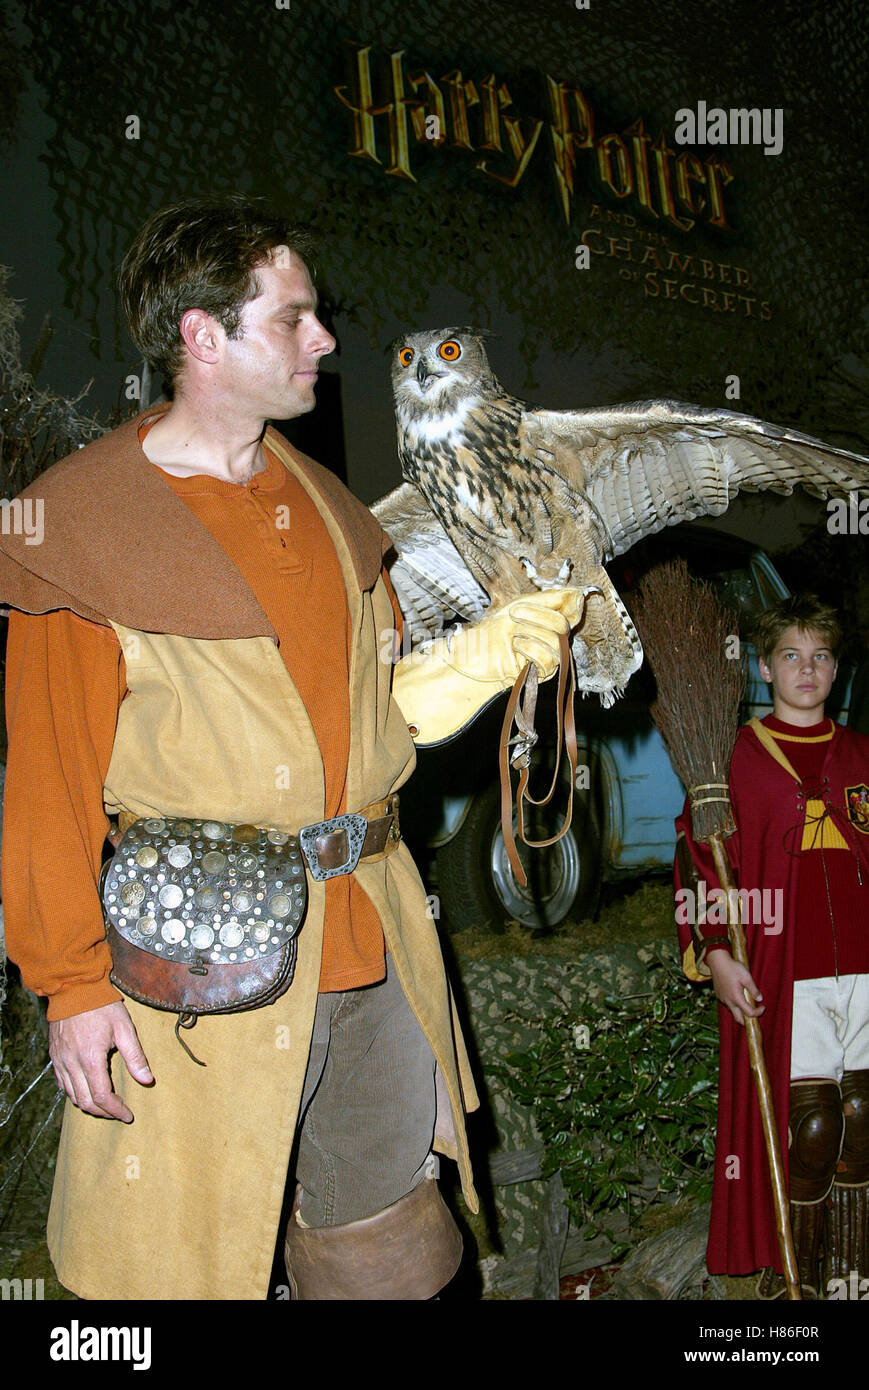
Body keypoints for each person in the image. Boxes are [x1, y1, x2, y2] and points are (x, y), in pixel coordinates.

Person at [0, 196, 586, 1300]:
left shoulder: (332, 509)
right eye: (294, 317)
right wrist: (69, 984)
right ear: (201, 336)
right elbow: (49, 784)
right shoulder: (78, 526)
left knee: (391, 1258)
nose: (326, 340)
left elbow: (374, 713)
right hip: (196, 977)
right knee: (179, 1268)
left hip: (373, 953)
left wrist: (481, 660)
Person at [675, 593, 869, 1298]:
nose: (806, 670)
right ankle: (798, 1280)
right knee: (812, 1129)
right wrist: (717, 953)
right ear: (763, 669)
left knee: (861, 1119)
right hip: (786, 970)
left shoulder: (860, 756)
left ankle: (855, 1274)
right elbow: (697, 860)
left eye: (820, 656)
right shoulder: (731, 762)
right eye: (790, 655)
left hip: (864, 969)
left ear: (836, 670)